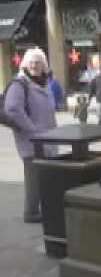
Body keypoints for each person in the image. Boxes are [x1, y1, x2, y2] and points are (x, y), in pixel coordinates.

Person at [4, 48, 57, 223]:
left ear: (44, 65)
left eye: (38, 62)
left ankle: (42, 208)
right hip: (32, 141)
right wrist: (33, 130)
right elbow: (12, 110)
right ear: (25, 64)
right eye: (31, 62)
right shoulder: (20, 84)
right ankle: (31, 212)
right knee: (33, 177)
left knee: (42, 175)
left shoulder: (44, 82)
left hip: (47, 139)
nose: (35, 65)